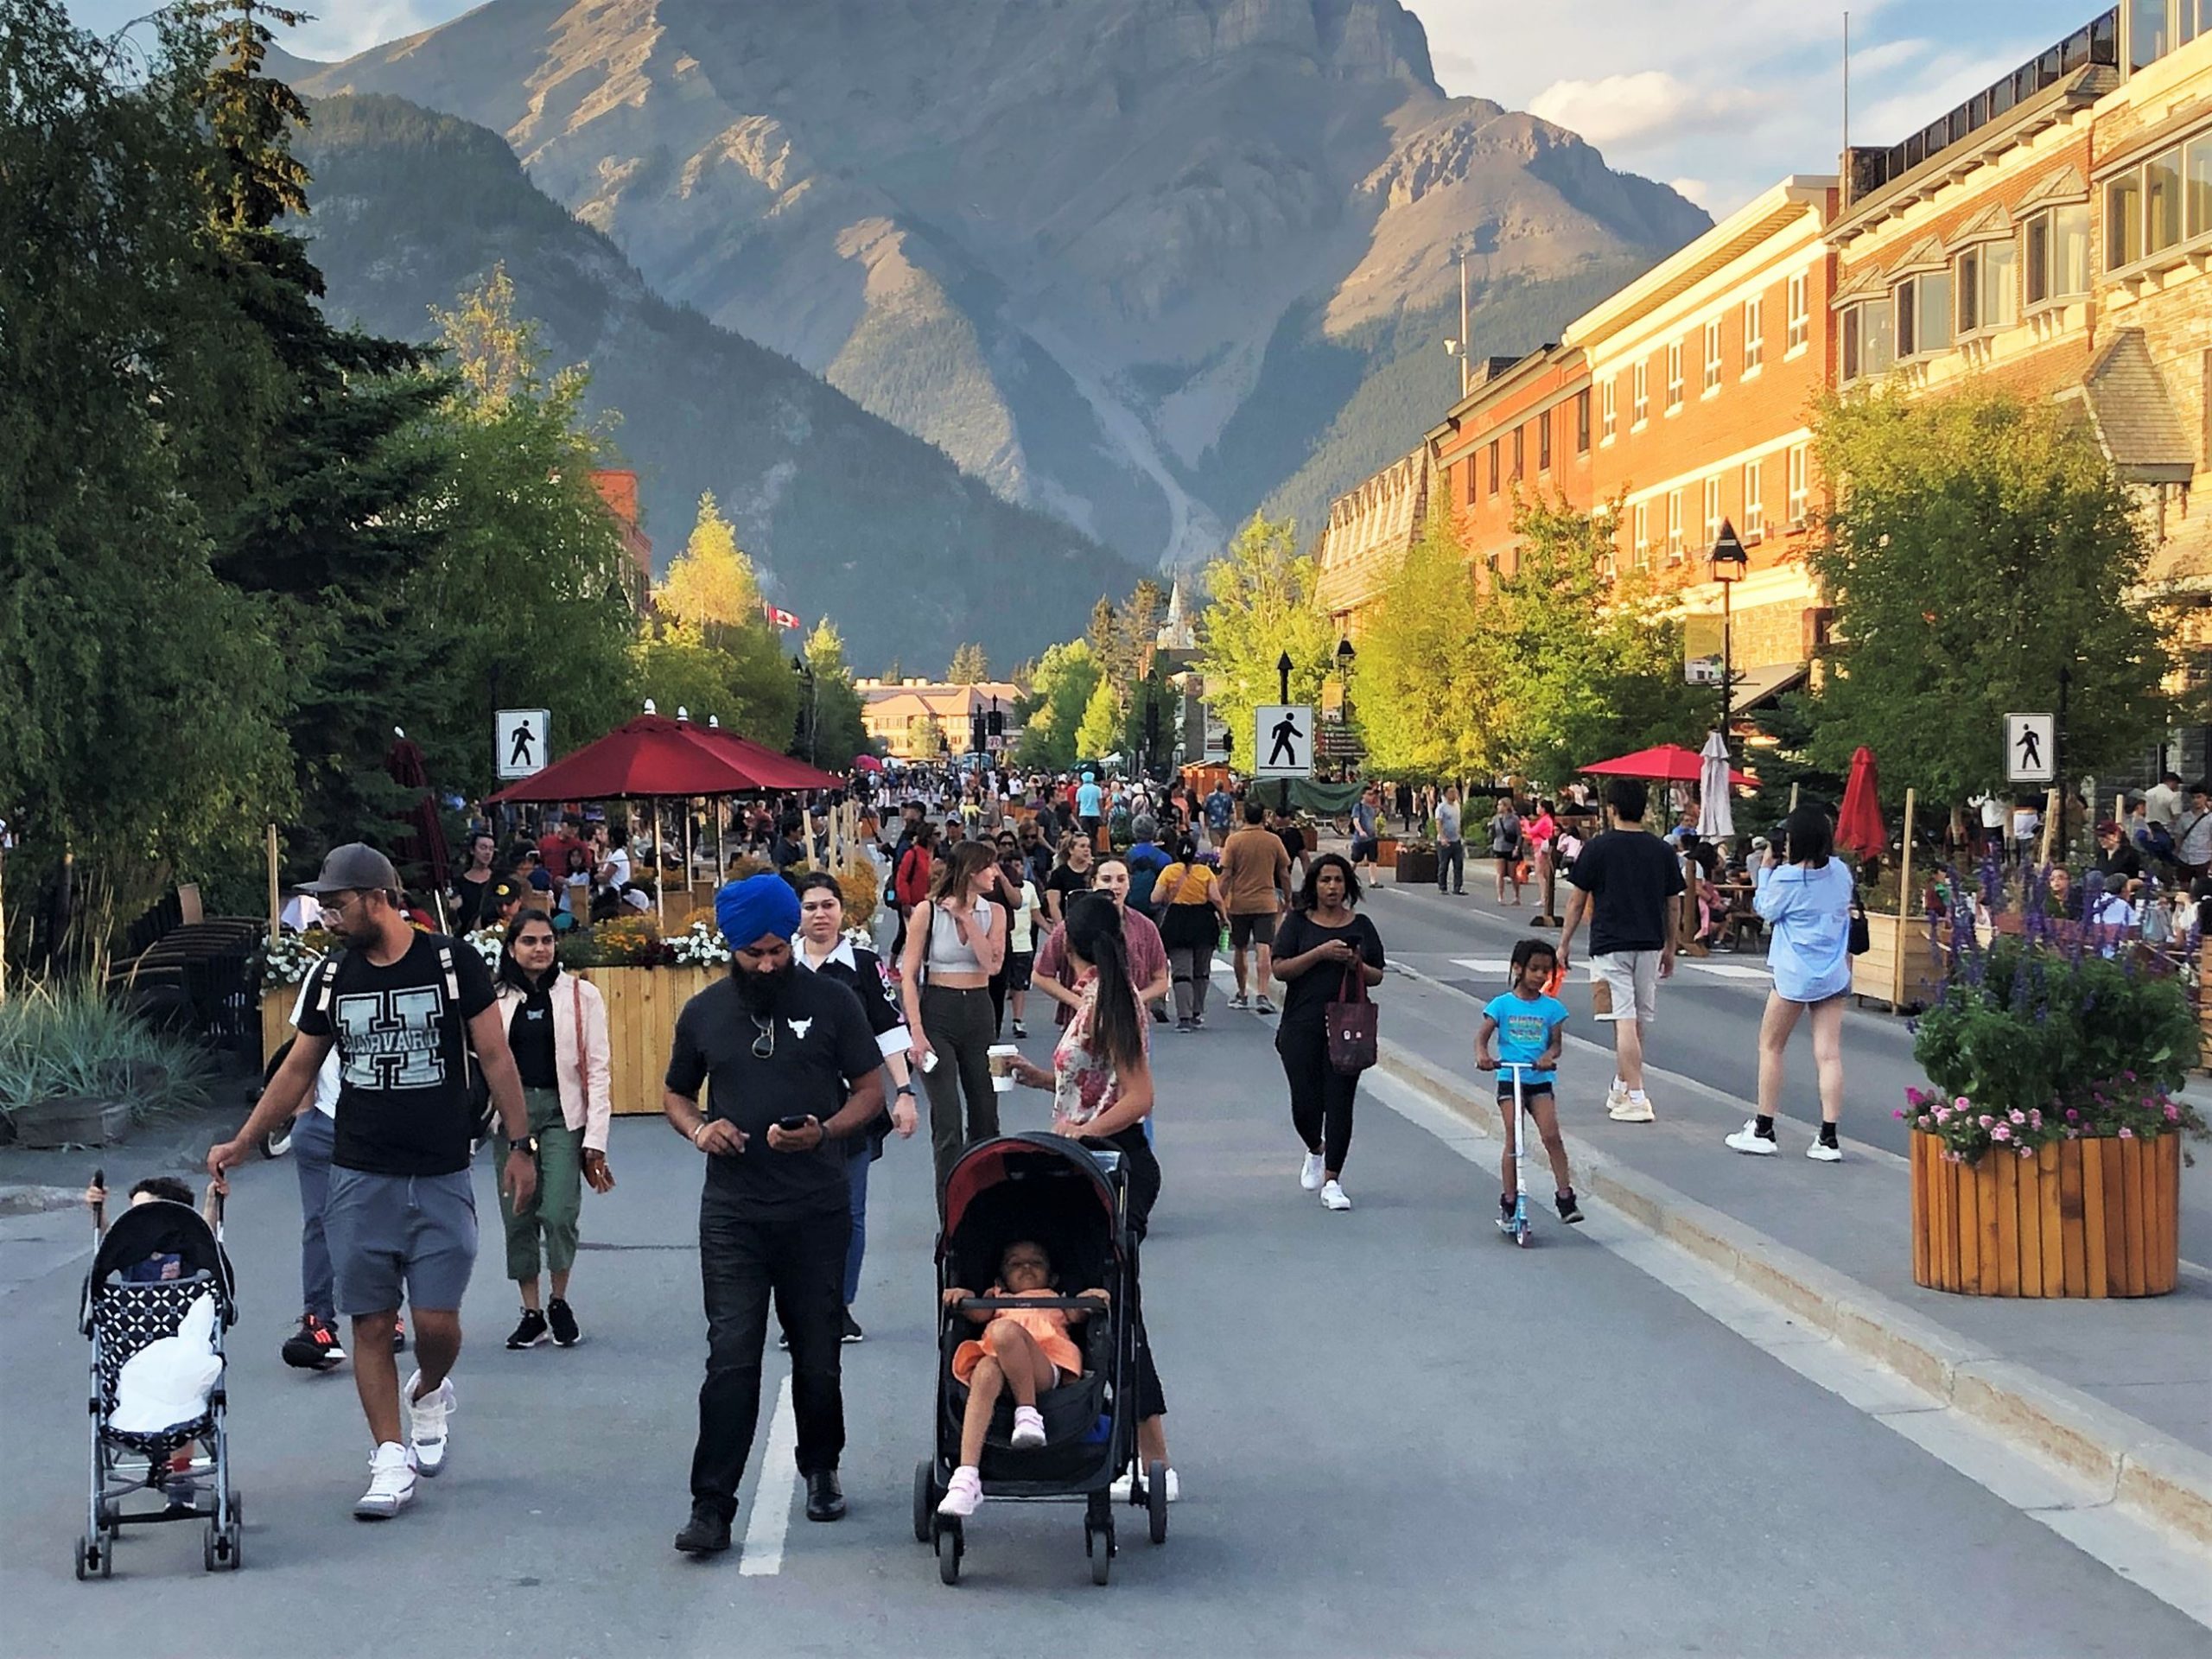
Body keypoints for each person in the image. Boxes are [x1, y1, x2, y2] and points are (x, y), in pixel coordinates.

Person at [209, 843, 536, 1522]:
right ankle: (389, 1456)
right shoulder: (332, 976)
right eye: (324, 905)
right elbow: (298, 1068)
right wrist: (246, 1139)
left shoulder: (450, 962)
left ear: (379, 898)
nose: (327, 916)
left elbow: (495, 1055)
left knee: (438, 1324)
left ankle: (430, 1390)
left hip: (441, 1169)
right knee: (372, 1320)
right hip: (359, 1173)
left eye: (337, 904)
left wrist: (520, 1143)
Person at [664, 875, 884, 1553]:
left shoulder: (834, 1001)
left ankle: (821, 1466)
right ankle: (711, 1506)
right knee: (731, 1356)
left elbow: (871, 1089)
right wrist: (700, 1129)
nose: (767, 964)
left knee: (818, 1353)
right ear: (731, 949)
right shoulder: (704, 1012)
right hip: (734, 1213)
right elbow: (676, 1094)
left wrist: (827, 1131)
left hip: (816, 1207)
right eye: (753, 954)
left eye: (776, 951)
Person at [997, 893, 1175, 1502]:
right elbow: (1096, 1081)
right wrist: (1042, 1080)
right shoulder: (1099, 997)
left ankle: (1153, 1456)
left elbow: (1138, 1096)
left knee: (1114, 1304)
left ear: (1067, 943)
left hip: (1111, 1162)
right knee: (1096, 1297)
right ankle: (1115, 1443)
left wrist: (1082, 1132)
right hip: (1085, 1160)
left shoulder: (1109, 1001)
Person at [792, 873, 918, 1342]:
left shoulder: (863, 965)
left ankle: (839, 1305)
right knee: (797, 1215)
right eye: (810, 907)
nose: (820, 915)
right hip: (792, 1110)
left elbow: (888, 1029)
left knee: (849, 1212)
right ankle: (802, 1308)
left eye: (828, 905)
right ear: (797, 914)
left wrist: (904, 1092)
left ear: (842, 911)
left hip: (853, 1108)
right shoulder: (782, 966)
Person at [490, 911, 615, 1350]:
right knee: (518, 1215)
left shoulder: (582, 996)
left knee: (559, 1211)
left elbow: (597, 1069)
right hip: (511, 1114)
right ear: (512, 948)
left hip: (564, 1113)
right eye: (529, 941)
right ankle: (531, 1312)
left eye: (546, 940)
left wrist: (596, 1139)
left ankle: (559, 1300)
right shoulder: (493, 1000)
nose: (540, 948)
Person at [934, 1242, 1109, 1516]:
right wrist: (962, 1296)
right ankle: (966, 1477)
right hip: (1000, 1371)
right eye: (1015, 1264)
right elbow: (975, 1312)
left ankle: (1028, 1413)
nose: (1026, 1267)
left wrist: (1092, 1297)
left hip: (1045, 1367)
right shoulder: (996, 1297)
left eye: (1036, 1263)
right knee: (985, 1369)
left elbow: (1080, 1311)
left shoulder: (1056, 1298)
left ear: (1052, 1277)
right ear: (1001, 1280)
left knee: (1004, 1332)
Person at [1726, 806, 1853, 1161]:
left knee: (1771, 1046)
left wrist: (1766, 869)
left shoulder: (1786, 878)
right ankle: (1828, 1138)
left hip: (1794, 974)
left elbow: (1766, 909)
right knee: (1828, 1054)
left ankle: (1764, 1128)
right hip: (1833, 971)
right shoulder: (1841, 872)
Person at [1556, 779, 1682, 1125]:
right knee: (1637, 1020)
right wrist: (1671, 946)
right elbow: (1673, 904)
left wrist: (1564, 943)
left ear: (1611, 808)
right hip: (1650, 942)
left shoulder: (1597, 848)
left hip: (1610, 943)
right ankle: (1622, 1085)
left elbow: (1577, 900)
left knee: (1623, 1019)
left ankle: (1638, 1097)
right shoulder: (1662, 851)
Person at [1270, 854, 1385, 1211]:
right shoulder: (1297, 922)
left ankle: (1333, 1180)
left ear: (1347, 885)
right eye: (1325, 880)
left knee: (1340, 1102)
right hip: (1301, 1023)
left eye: (1338, 880)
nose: (1332, 887)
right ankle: (1315, 1148)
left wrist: (1355, 963)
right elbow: (1280, 969)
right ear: (1314, 885)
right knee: (1305, 1104)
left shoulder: (1361, 925)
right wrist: (1320, 953)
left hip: (1348, 1026)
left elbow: (1377, 975)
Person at [901, 841, 1009, 1207]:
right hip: (938, 1011)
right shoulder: (927, 911)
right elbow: (908, 975)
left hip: (981, 1011)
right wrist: (916, 1031)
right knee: (947, 1119)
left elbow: (992, 965)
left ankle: (987, 1204)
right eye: (989, 867)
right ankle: (951, 1209)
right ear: (970, 871)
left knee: (986, 1111)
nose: (995, 874)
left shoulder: (995, 912)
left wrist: (966, 918)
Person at [1475, 940, 1583, 1226]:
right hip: (1510, 1078)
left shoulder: (1552, 1008)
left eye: (1545, 971)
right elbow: (1482, 1037)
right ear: (1518, 969)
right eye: (1534, 969)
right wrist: (1483, 1055)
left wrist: (1548, 1056)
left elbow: (1556, 1044)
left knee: (1551, 1135)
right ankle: (1510, 1200)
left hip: (1539, 1080)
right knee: (1514, 1137)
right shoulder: (1502, 1005)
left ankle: (1565, 1197)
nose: (1539, 976)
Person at [1034, 855, 1171, 1027]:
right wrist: (1077, 1002)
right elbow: (1040, 975)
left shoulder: (1145, 927)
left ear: (1129, 883)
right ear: (1094, 883)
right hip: (1081, 1023)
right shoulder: (1073, 925)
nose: (1114, 886)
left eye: (1121, 879)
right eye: (1106, 880)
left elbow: (1161, 980)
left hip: (1130, 1025)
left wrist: (1135, 999)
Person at [1219, 802, 1291, 1014]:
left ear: (1244, 817)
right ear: (1263, 818)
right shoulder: (1273, 841)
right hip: (1266, 902)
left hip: (1239, 903)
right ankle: (1262, 994)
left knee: (1240, 948)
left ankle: (1242, 994)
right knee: (1264, 946)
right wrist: (1288, 898)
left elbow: (1226, 876)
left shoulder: (1234, 841)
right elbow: (1284, 873)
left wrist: (1218, 901)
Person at [1155, 835, 1230, 1031]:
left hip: (1177, 922)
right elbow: (1216, 898)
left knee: (1182, 972)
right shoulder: (1205, 872)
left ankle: (1184, 1017)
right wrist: (1224, 918)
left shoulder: (1169, 871)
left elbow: (1155, 897)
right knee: (1201, 971)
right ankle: (1197, 1011)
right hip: (1203, 922)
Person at [447, 831, 502, 933]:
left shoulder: (499, 880)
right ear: (472, 850)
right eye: (483, 848)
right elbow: (452, 922)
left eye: (491, 849)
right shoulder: (458, 883)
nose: (487, 852)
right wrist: (452, 909)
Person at [1122, 816, 1173, 928]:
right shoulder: (1165, 858)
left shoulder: (1127, 857)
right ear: (1154, 832)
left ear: (1134, 832)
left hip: (1132, 906)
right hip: (1156, 909)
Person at [1044, 830, 1095, 927]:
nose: (1087, 850)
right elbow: (1053, 904)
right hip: (1070, 923)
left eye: (1088, 846)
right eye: (1082, 846)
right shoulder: (1059, 874)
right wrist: (1061, 927)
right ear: (1071, 850)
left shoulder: (1096, 871)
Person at [1490, 798, 1525, 905]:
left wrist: (1517, 848)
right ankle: (1500, 896)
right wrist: (1490, 829)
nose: (1498, 807)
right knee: (1500, 873)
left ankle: (1517, 896)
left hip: (1510, 847)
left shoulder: (1514, 819)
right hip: (1498, 846)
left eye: (1500, 805)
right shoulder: (1496, 818)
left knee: (1512, 873)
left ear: (1506, 806)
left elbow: (1519, 835)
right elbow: (1492, 835)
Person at [1436, 785, 1466, 896]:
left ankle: (1458, 887)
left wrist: (1460, 834)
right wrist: (1442, 837)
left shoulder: (1457, 806)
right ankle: (1442, 887)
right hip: (1445, 840)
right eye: (1451, 792)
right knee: (1444, 865)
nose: (1454, 794)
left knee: (1458, 864)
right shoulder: (1442, 807)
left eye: (1455, 792)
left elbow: (1458, 822)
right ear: (1445, 794)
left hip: (1456, 839)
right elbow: (1438, 822)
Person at [1349, 786, 1382, 879]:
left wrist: (1378, 799)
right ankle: (1347, 875)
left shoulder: (1372, 808)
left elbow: (1376, 815)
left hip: (1372, 838)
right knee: (1355, 860)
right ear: (1363, 795)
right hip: (1360, 839)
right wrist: (1361, 831)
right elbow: (1355, 820)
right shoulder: (1358, 807)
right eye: (1369, 794)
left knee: (1373, 860)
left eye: (1373, 795)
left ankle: (1373, 881)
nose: (1371, 797)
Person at [1203, 780, 1236, 849]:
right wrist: (1233, 823)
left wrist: (1205, 823)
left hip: (1213, 825)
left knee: (1215, 847)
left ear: (1215, 786)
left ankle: (1216, 855)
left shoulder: (1209, 797)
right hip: (1225, 825)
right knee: (1223, 847)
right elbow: (1231, 812)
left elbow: (1206, 811)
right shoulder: (1228, 797)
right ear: (1222, 787)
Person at [1075, 771, 1104, 842]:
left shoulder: (1080, 790)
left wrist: (1077, 817)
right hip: (1095, 814)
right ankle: (1094, 848)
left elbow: (1077, 805)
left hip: (1083, 814)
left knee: (1085, 835)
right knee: (1094, 836)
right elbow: (1100, 804)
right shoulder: (1097, 789)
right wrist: (1102, 815)